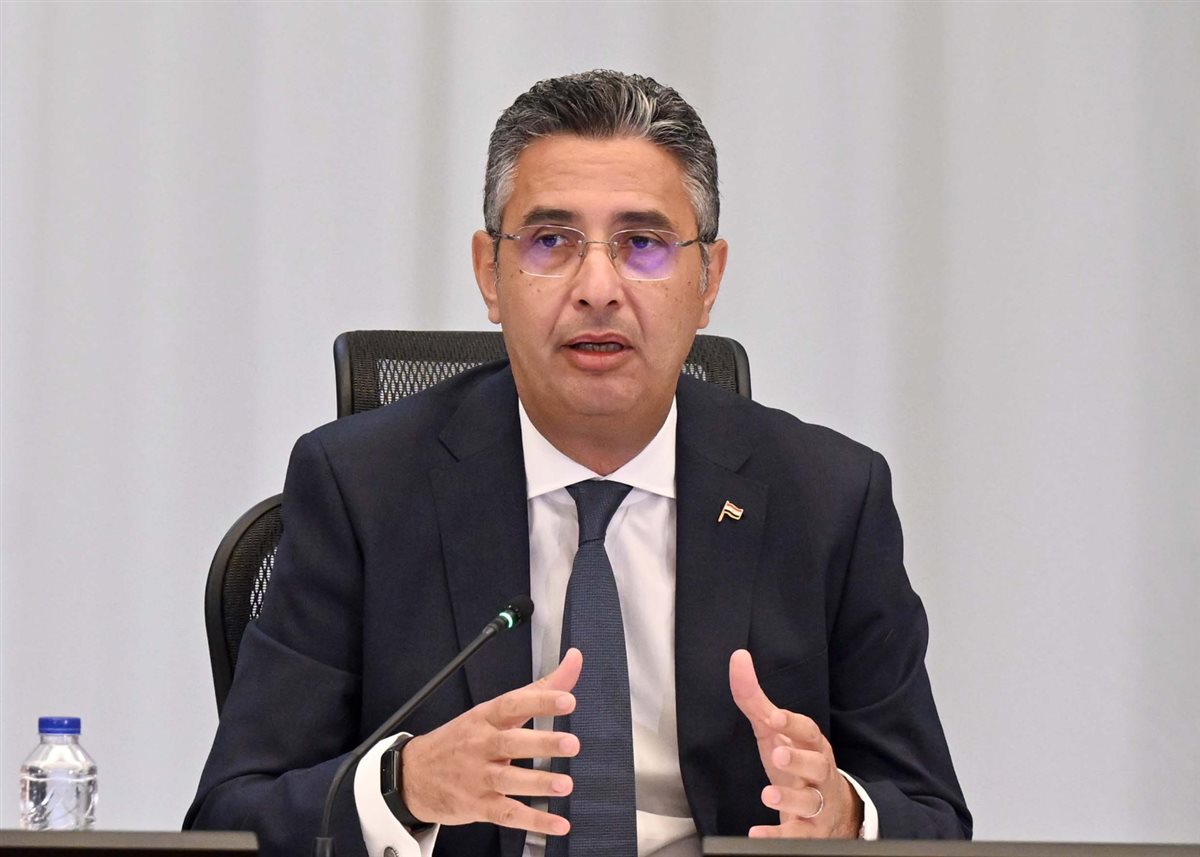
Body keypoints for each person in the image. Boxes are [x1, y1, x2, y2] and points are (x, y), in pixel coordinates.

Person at [186, 70, 970, 857]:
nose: (598, 288)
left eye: (644, 245)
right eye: (551, 242)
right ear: (490, 274)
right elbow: (230, 817)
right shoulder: (362, 488)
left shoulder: (829, 498)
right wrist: (404, 784)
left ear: (708, 281)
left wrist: (844, 816)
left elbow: (933, 816)